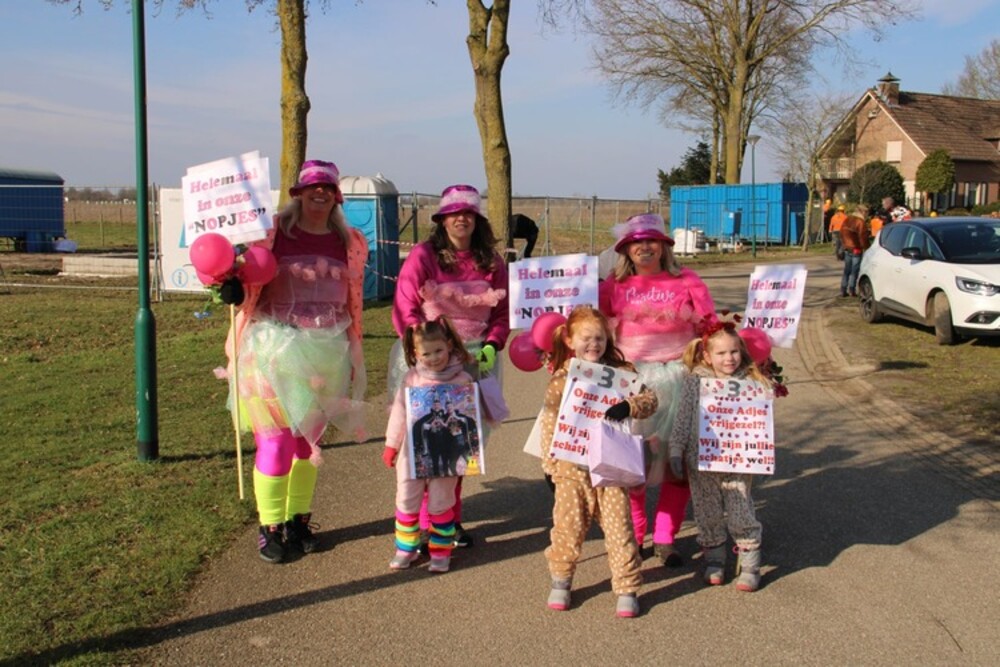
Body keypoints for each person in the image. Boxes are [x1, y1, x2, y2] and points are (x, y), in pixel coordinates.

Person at [225, 159, 369, 563]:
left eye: (327, 187)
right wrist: (230, 287)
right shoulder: (271, 233)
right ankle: (269, 526)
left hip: (327, 353)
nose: (319, 193)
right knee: (276, 442)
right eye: (312, 187)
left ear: (336, 196)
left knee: (307, 444)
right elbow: (247, 279)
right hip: (272, 350)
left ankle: (297, 520)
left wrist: (354, 349)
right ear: (299, 193)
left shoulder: (351, 241)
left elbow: (354, 299)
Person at [392, 184, 511, 549]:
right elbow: (405, 305)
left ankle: (449, 521)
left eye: (468, 213)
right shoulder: (424, 256)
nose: (461, 219)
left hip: (473, 363)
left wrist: (492, 344)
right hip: (431, 363)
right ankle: (425, 523)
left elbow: (503, 313)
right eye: (454, 213)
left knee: (459, 444)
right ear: (442, 220)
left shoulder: (492, 261)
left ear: (477, 219)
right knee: (427, 443)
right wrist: (421, 347)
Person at [598, 213, 718, 568]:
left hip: (681, 380)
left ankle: (666, 537)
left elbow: (710, 327)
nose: (645, 248)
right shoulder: (613, 285)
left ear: (664, 246)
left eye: (652, 241)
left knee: (677, 466)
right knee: (631, 465)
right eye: (637, 243)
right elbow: (596, 332)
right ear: (626, 250)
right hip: (632, 384)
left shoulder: (687, 280)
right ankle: (635, 536)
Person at [537, 306, 658, 618]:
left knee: (620, 529)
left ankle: (627, 587)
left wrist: (629, 405)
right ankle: (561, 580)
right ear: (570, 340)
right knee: (567, 527)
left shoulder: (622, 374)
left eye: (600, 338)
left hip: (611, 466)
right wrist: (549, 467)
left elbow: (650, 400)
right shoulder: (562, 378)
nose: (593, 344)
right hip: (571, 468)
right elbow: (549, 424)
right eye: (586, 338)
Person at [667, 322, 772, 592]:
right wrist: (676, 449)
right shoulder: (695, 381)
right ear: (707, 356)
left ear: (742, 351)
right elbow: (683, 417)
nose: (729, 358)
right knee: (707, 511)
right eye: (721, 353)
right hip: (702, 460)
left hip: (738, 461)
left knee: (740, 509)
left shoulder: (751, 382)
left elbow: (761, 420)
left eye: (734, 352)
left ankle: (749, 562)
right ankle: (715, 558)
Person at [382, 317, 474, 573]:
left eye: (438, 351)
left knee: (441, 504)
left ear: (449, 346)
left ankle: (441, 552)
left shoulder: (462, 379)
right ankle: (406, 549)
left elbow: (470, 418)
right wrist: (391, 444)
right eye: (426, 353)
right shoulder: (412, 378)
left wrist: (469, 449)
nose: (434, 358)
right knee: (406, 500)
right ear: (415, 353)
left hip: (447, 455)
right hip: (413, 453)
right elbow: (399, 412)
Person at [839, 204, 870, 298]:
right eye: (866, 212)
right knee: (854, 270)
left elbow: (842, 232)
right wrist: (867, 247)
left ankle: (843, 289)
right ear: (862, 212)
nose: (867, 215)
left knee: (847, 270)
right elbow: (863, 237)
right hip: (856, 248)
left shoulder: (848, 219)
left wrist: (844, 244)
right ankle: (852, 289)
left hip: (847, 247)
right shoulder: (860, 222)